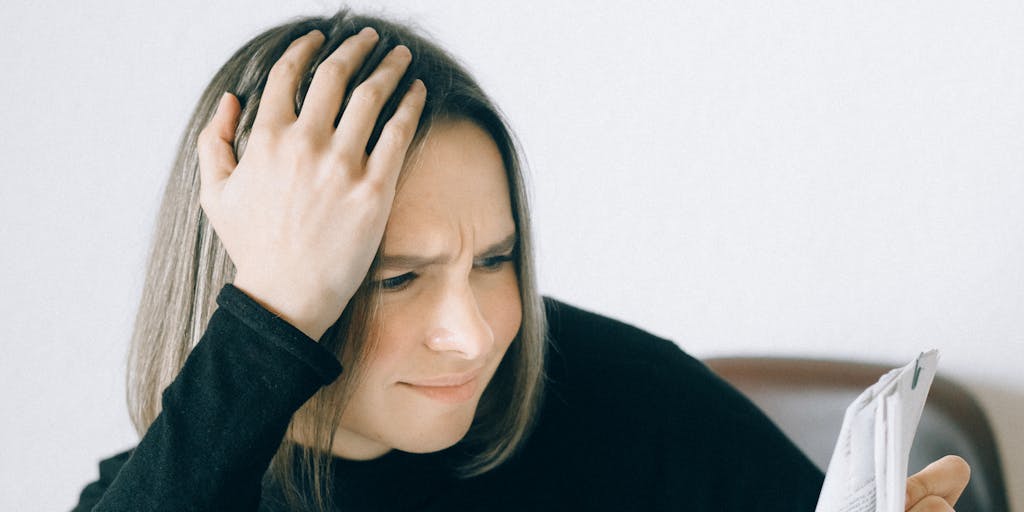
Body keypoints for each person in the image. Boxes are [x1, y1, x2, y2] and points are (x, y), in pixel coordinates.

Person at [73, 7, 970, 512]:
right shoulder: (171, 487)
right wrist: (268, 324)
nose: (474, 334)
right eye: (397, 278)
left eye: (495, 260)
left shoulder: (629, 405)